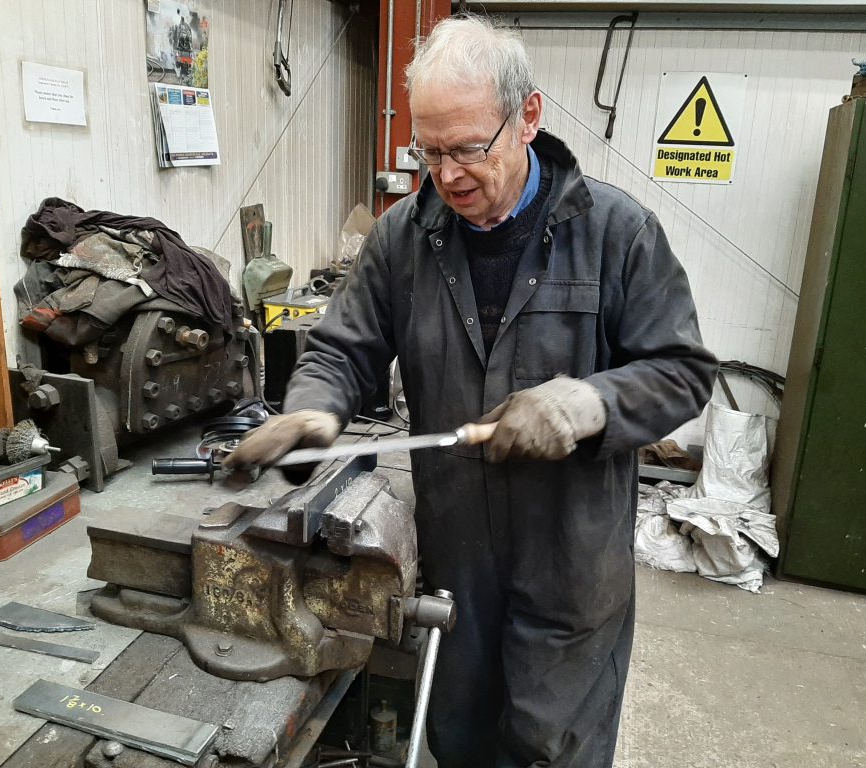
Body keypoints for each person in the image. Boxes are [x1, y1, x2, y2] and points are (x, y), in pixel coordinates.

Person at [224, 14, 717, 768]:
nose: (447, 174)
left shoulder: (618, 233)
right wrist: (311, 409)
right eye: (429, 151)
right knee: (458, 739)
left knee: (550, 749)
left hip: (571, 567)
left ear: (527, 117)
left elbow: (683, 371)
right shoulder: (403, 240)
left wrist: (587, 405)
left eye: (466, 148)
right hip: (457, 558)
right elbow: (344, 349)